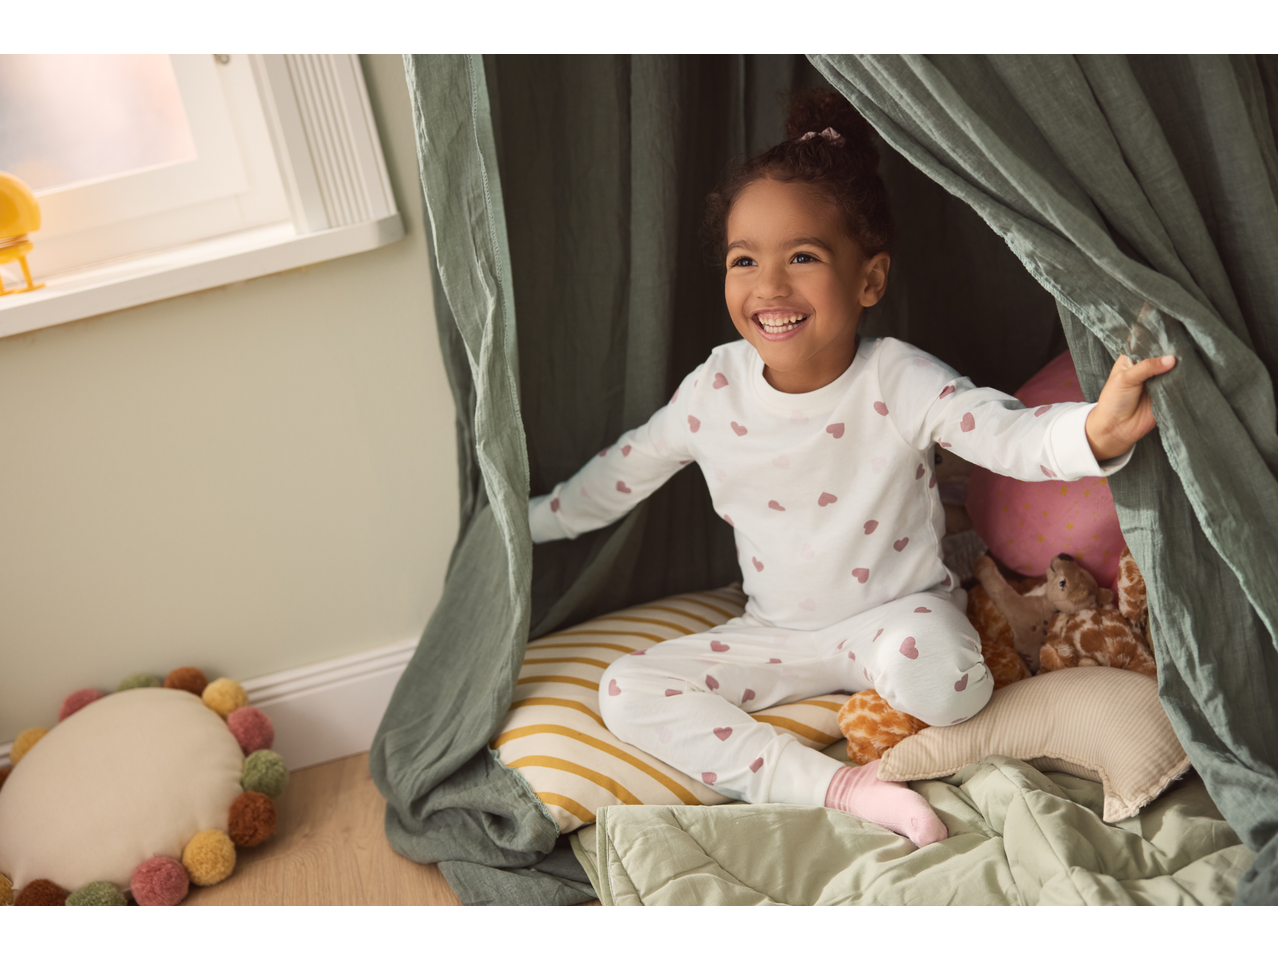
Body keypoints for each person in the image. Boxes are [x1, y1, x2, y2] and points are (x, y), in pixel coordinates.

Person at [527, 89, 1175, 847]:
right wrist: (531, 522)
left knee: (944, 681)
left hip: (897, 617)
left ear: (869, 279)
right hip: (776, 633)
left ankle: (908, 693)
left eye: (801, 257)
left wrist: (1094, 431)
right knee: (625, 689)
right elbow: (627, 467)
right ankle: (838, 787)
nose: (769, 286)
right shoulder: (713, 389)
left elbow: (1005, 434)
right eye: (744, 260)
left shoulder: (897, 377)